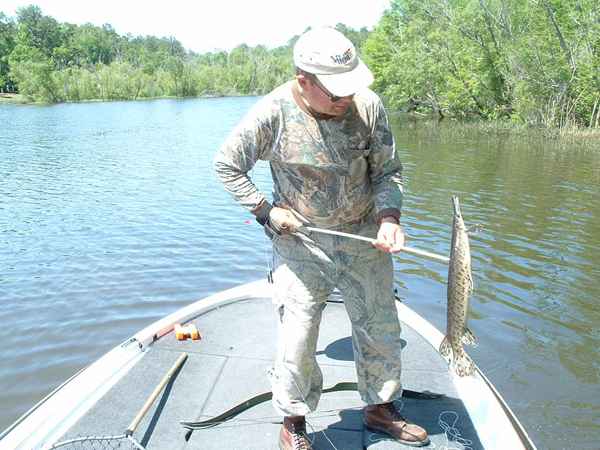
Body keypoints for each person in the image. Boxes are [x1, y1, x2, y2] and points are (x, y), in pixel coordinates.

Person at [214, 27, 429, 449]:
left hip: (366, 237)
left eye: (350, 87)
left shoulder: (368, 107)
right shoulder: (272, 112)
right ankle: (293, 420)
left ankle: (380, 407)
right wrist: (265, 210)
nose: (345, 98)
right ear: (304, 81)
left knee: (380, 325)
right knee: (298, 334)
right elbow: (226, 166)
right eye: (334, 92)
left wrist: (390, 217)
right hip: (301, 244)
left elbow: (389, 171)